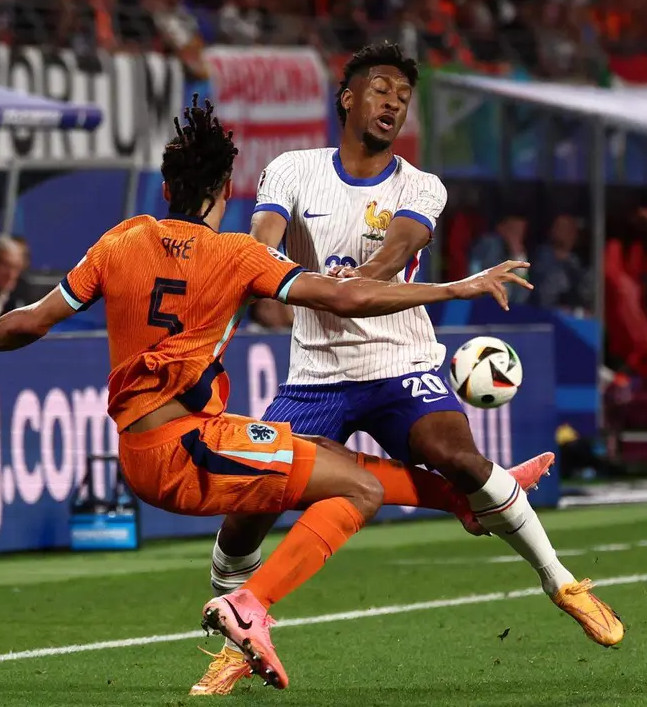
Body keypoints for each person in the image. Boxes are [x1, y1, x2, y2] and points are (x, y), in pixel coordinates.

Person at [0, 96, 548, 690]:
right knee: (360, 489)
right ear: (223, 193)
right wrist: (455, 289)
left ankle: (471, 499)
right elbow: (350, 296)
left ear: (167, 189)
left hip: (141, 452)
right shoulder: (238, 255)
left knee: (352, 468)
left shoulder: (122, 239)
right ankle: (249, 607)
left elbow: (31, 319)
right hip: (190, 448)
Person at [192, 42, 621, 695]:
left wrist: (349, 281)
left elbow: (397, 251)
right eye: (381, 88)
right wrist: (268, 272)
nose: (393, 102)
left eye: (403, 95)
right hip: (315, 376)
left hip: (402, 364)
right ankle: (236, 635)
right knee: (248, 506)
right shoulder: (292, 170)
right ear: (348, 97)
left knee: (460, 459)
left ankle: (561, 582)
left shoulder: (420, 186)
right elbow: (262, 246)